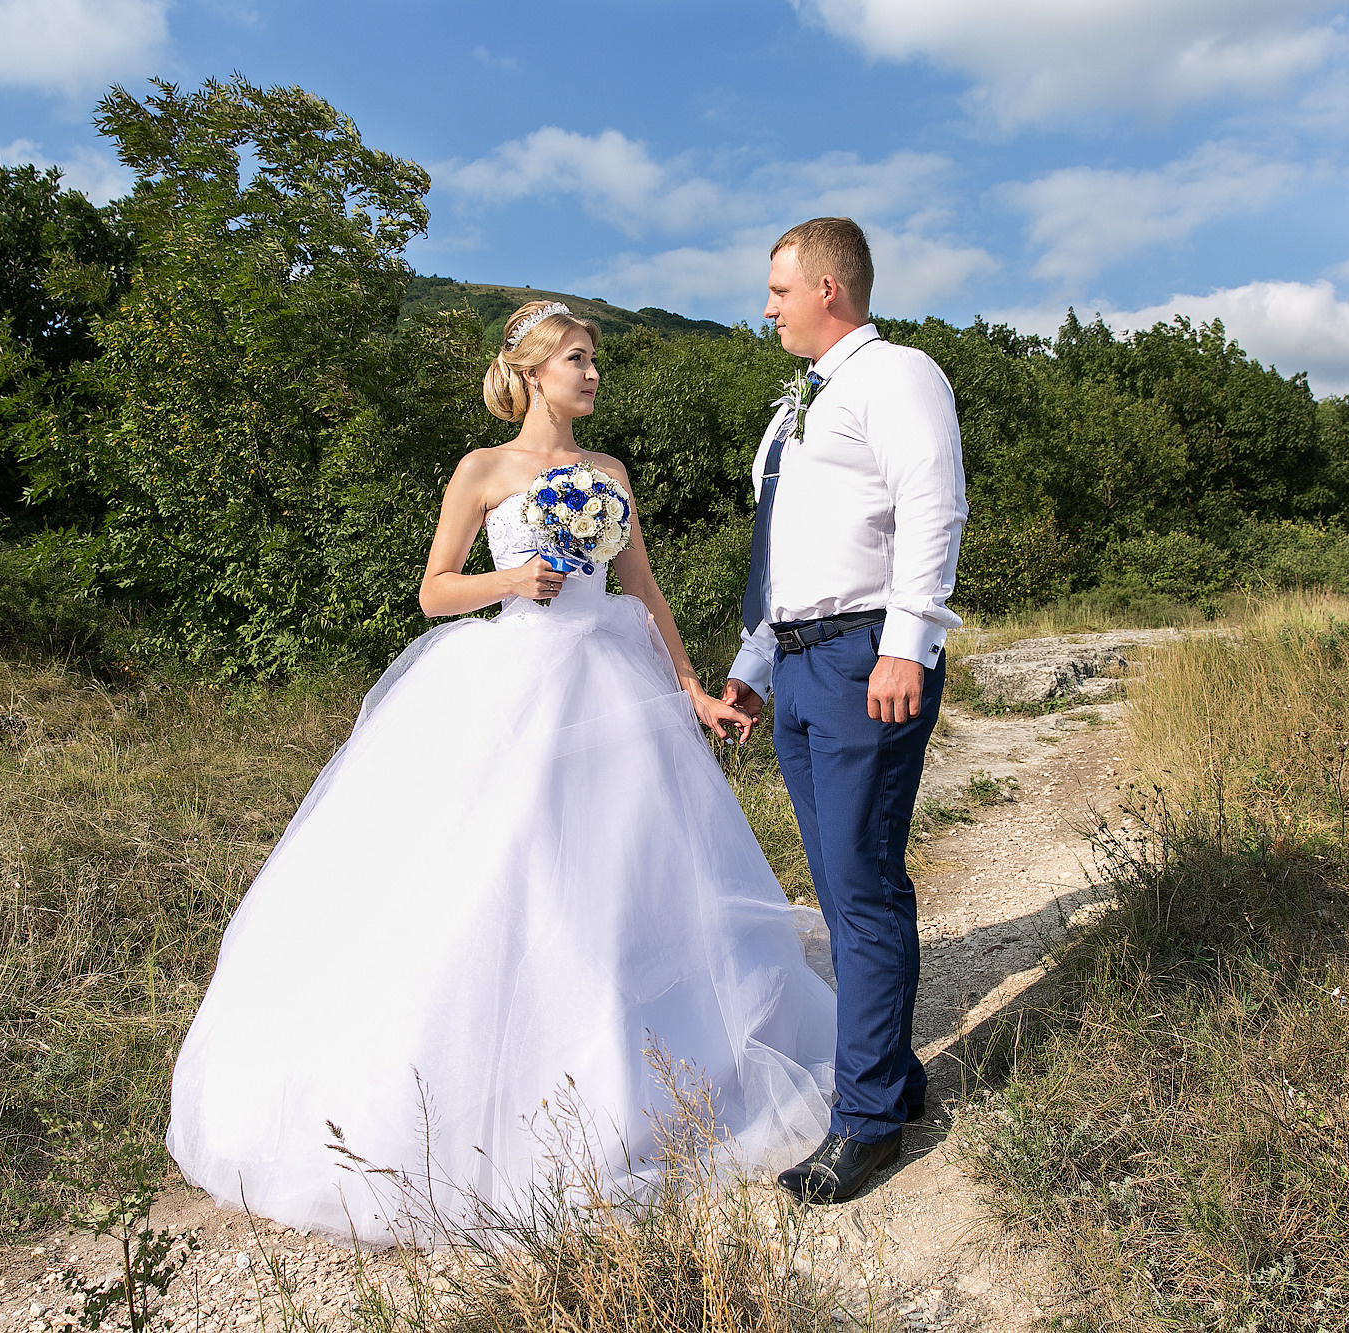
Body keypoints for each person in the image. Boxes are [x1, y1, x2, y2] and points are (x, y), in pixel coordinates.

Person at [166, 299, 839, 1245]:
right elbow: (435, 590)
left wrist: (689, 686)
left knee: (622, 880)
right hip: (516, 679)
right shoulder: (484, 471)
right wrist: (510, 582)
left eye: (595, 356)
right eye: (576, 357)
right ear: (529, 372)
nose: (592, 371)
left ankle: (641, 1084)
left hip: (614, 686)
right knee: (510, 871)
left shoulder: (610, 473)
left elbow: (640, 588)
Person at [721, 218, 968, 1204]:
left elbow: (932, 504)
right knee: (840, 889)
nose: (766, 305)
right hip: (798, 662)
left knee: (859, 890)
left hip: (868, 658)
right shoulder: (796, 407)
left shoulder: (899, 373)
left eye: (777, 289)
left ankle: (864, 1120)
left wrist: (908, 641)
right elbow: (786, 551)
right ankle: (894, 1076)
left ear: (828, 287)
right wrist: (751, 664)